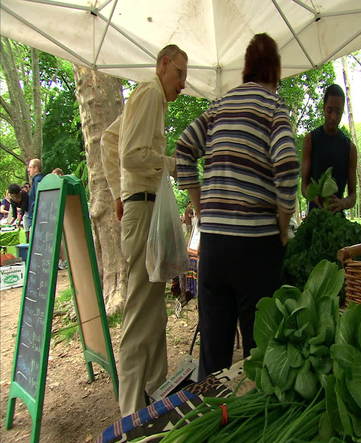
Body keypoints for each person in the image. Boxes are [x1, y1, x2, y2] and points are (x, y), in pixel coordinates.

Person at [176, 33, 299, 380]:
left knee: (214, 354)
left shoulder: (219, 106)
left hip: (213, 246)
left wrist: (201, 207)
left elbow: (184, 147)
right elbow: (288, 163)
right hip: (256, 248)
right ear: (275, 71)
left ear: (246, 69)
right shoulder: (274, 107)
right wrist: (283, 220)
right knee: (259, 354)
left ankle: (213, 421)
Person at [102, 44, 188, 416]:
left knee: (154, 308)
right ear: (164, 64)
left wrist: (117, 192)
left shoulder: (146, 97)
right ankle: (130, 412)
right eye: (180, 73)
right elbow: (132, 154)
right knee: (140, 310)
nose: (183, 84)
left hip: (143, 206)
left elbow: (109, 141)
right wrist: (171, 162)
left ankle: (154, 396)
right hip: (144, 208)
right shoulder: (151, 92)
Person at [302, 84, 357, 212]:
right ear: (323, 108)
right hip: (315, 218)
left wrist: (342, 203)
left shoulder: (350, 148)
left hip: (337, 220)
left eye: (338, 112)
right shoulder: (310, 140)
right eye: (329, 110)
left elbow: (353, 196)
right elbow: (304, 186)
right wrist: (314, 196)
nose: (333, 117)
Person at [27, 158, 46, 242]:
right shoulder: (36, 180)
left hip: (38, 218)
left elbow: (40, 199)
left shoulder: (38, 180)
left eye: (30, 167)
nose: (28, 170)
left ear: (36, 168)